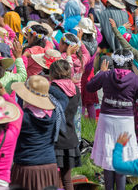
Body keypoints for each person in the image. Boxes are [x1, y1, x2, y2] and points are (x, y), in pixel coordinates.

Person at [86, 49, 138, 190]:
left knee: (108, 156)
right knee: (122, 157)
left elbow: (89, 87)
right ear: (130, 63)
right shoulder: (134, 79)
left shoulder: (106, 75)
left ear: (114, 62)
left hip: (106, 119)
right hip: (125, 122)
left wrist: (101, 72)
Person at [10, 75, 59, 190]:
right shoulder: (53, 115)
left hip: (27, 166)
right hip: (49, 166)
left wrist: (4, 96)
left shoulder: (24, 117)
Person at [49, 59, 81, 190]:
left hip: (55, 139)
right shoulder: (76, 90)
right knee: (67, 180)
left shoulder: (52, 90)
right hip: (70, 137)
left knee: (54, 180)